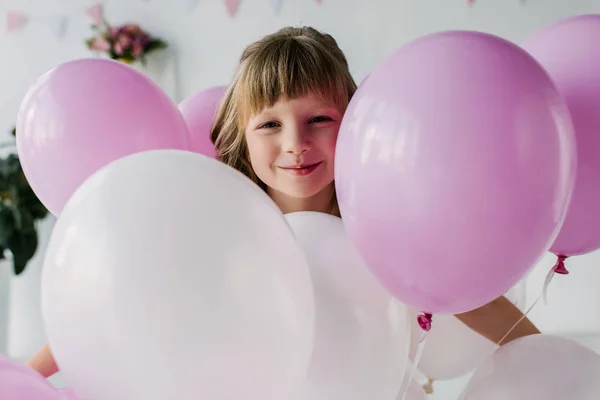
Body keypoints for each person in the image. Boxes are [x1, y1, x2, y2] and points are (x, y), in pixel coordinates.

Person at [26, 25, 539, 379]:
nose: (296, 142)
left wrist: (555, 361)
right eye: (270, 124)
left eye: (319, 119)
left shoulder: (382, 229)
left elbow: (481, 303)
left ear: (356, 123)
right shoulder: (221, 227)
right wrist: (28, 376)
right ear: (242, 137)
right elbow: (122, 300)